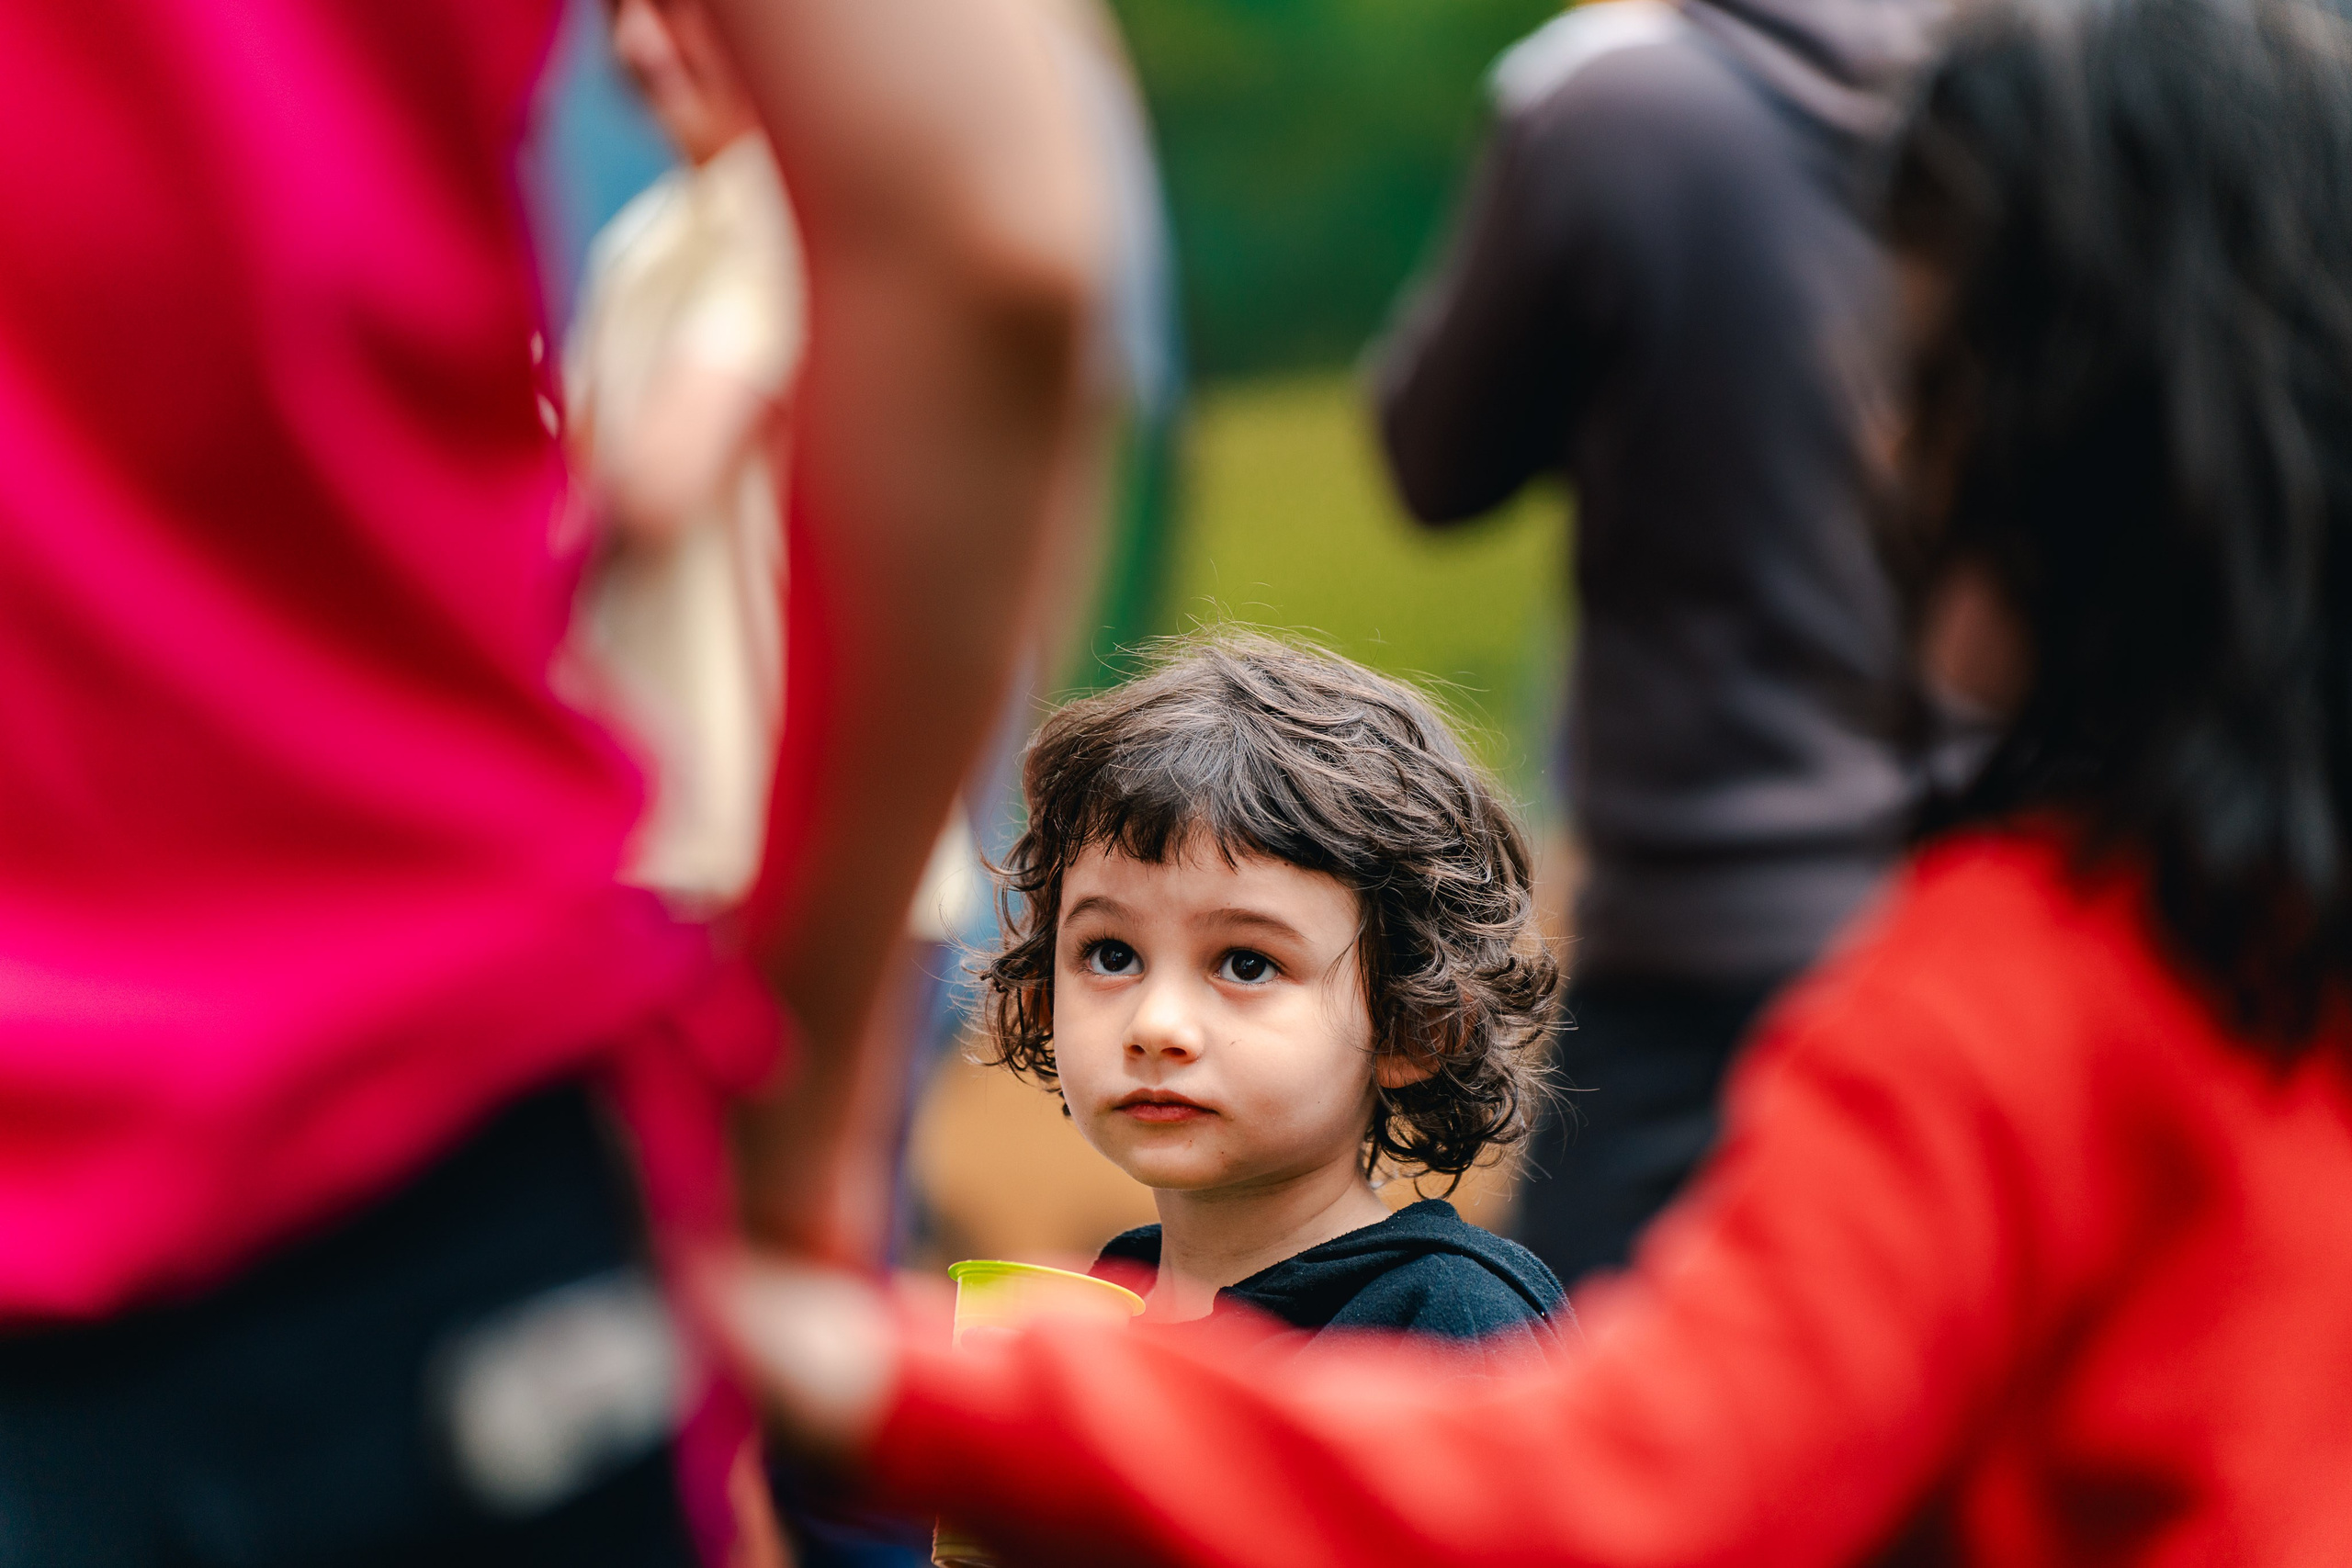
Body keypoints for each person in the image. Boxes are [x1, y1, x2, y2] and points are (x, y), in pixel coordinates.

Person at [716, 0, 2352, 1560]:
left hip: (1696, 939)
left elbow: (1622, 1489)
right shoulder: (2235, 953)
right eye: (1110, 949)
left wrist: (891, 1378)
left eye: (1927, 376)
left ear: (2095, 435)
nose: (1876, 440)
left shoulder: (2006, 1015)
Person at [0, 0, 1102, 1562]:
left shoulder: (733, 243)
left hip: (581, 923)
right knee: (806, 1338)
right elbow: (985, 219)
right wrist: (798, 1092)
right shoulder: (662, 244)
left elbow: (657, 465)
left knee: (847, 1390)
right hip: (434, 1137)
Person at [1373, 0, 1944, 1284]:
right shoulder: (2069, 89)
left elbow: (1433, 457)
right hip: (1990, 913)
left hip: (1700, 934)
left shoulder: (1614, 103)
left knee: (1575, 1393)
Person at [974, 637, 1567, 1361]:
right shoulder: (1101, 1306)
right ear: (1042, 994)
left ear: (1413, 1028)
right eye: (1111, 954)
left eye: (1247, 963)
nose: (1156, 1025)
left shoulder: (1450, 1329)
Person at [569, 0, 807, 911]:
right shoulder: (645, 240)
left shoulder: (794, 212)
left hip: (770, 826)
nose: (636, 43)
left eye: (676, 10)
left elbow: (656, 483)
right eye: (621, 12)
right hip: (667, 825)